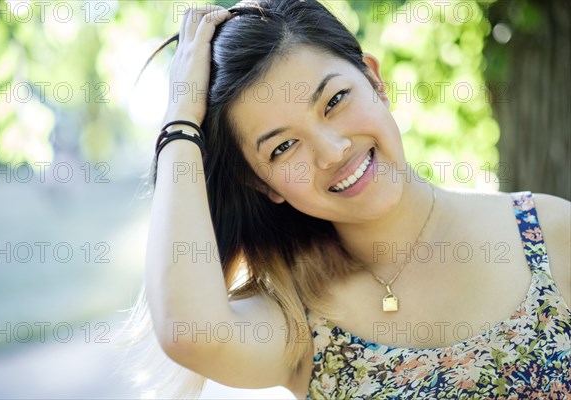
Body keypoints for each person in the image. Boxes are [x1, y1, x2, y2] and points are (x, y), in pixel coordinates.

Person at [133, 0, 571, 398]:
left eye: (335, 100)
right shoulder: (298, 322)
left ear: (375, 80)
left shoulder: (550, 234)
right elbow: (191, 332)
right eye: (283, 148)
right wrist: (180, 121)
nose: (331, 151)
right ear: (264, 185)